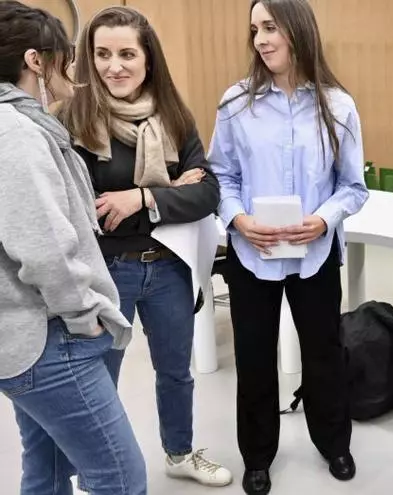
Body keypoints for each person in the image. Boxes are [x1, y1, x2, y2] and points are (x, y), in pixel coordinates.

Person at [56, 6, 232, 487]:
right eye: (103, 54)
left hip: (169, 267)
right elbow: (85, 206)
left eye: (127, 54)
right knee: (98, 378)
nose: (114, 66)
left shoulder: (173, 116)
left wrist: (143, 196)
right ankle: (94, 473)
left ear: (148, 58)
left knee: (175, 371)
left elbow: (208, 194)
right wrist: (174, 190)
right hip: (106, 270)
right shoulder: (74, 118)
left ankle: (179, 453)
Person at [208, 0, 369, 492]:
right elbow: (221, 175)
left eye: (270, 27)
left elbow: (353, 187)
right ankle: (257, 456)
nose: (260, 39)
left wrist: (323, 220)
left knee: (324, 353)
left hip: (315, 255)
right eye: (255, 29)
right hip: (251, 254)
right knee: (254, 358)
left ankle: (334, 443)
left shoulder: (338, 106)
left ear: (298, 31)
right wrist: (239, 220)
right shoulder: (236, 103)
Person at [0, 2, 147, 494]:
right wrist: (85, 317)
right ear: (35, 61)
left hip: (22, 338)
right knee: (120, 477)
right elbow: (43, 249)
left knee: (46, 469)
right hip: (49, 338)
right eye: (66, 56)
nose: (75, 69)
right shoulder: (16, 133)